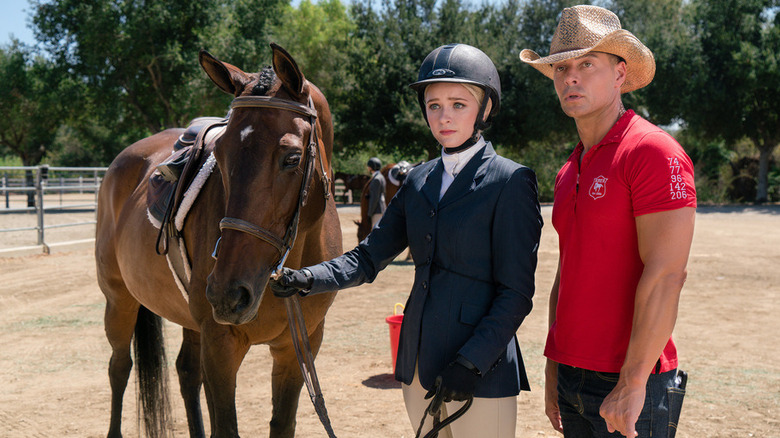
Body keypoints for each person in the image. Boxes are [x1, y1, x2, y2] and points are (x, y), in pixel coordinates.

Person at [271, 43, 543, 438]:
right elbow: (368, 258)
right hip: (416, 361)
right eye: (434, 105)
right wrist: (307, 278)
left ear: (485, 110)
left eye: (458, 104)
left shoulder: (511, 181)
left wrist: (471, 363)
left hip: (480, 372)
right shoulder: (417, 180)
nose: (444, 116)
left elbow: (516, 292)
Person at [520, 5, 696, 438]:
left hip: (630, 379)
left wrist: (633, 381)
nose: (571, 77)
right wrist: (553, 366)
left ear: (620, 74)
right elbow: (569, 272)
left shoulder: (652, 152)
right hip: (571, 375)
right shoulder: (568, 170)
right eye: (561, 67)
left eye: (587, 64)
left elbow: (667, 274)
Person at [366, 157, 387, 227]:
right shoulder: (381, 177)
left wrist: (370, 213)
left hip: (377, 210)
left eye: (369, 166)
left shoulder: (376, 179)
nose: (368, 168)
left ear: (372, 167)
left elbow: (374, 197)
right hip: (382, 208)